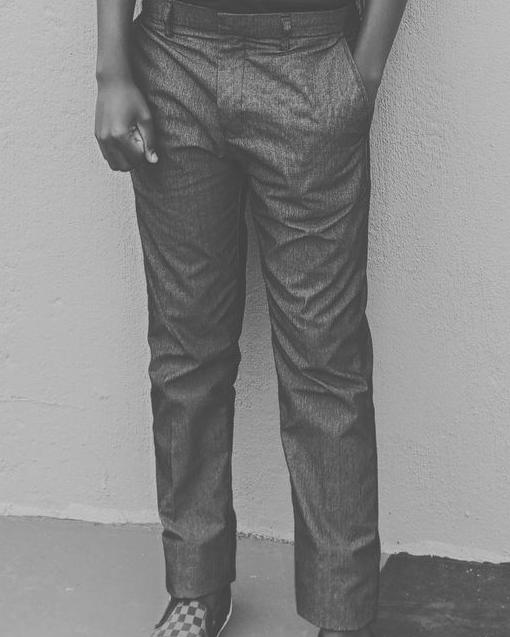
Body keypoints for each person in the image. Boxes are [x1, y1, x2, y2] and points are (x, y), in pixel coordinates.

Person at [94, 0, 407, 635]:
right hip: (174, 56)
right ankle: (196, 587)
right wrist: (112, 69)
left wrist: (364, 73)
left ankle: (343, 613)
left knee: (325, 356)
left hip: (311, 59)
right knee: (186, 348)